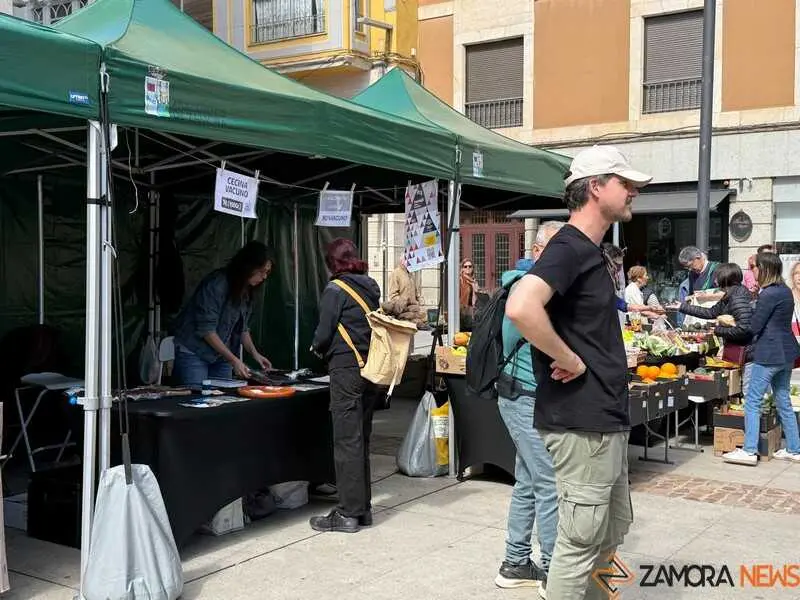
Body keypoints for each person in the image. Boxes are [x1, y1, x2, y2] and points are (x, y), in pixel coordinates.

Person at [506, 144, 651, 600]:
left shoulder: (588, 250)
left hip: (601, 419)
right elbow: (521, 307)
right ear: (595, 187)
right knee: (578, 543)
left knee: (606, 537)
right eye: (624, 183)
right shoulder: (569, 245)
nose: (633, 192)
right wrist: (568, 359)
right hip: (582, 422)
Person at [494, 221, 563, 591]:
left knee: (528, 480)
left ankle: (515, 562)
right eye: (556, 250)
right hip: (523, 397)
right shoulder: (526, 289)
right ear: (537, 251)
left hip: (524, 397)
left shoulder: (535, 285)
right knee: (549, 482)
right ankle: (553, 570)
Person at [309, 238, 382, 533]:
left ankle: (348, 512)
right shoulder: (371, 287)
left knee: (346, 440)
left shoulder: (335, 290)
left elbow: (323, 334)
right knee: (361, 439)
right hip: (372, 369)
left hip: (345, 369)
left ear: (332, 263)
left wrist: (315, 348)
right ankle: (363, 509)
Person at [722, 252, 800, 466]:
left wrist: (729, 325)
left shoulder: (768, 294)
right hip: (786, 353)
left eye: (753, 267)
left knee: (753, 401)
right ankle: (794, 449)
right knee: (783, 400)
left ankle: (749, 451)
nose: (751, 271)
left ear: (764, 268)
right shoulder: (783, 290)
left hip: (768, 354)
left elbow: (754, 327)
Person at [171, 241, 274, 385]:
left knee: (223, 399)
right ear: (248, 266)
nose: (264, 277)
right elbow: (206, 330)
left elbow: (242, 328)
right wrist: (234, 360)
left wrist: (255, 354)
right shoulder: (216, 285)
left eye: (267, 272)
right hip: (194, 351)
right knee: (197, 400)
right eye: (261, 271)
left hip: (222, 355)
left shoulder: (246, 290)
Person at [670, 263, 754, 387]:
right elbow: (711, 312)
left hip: (747, 351)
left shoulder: (737, 298)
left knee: (749, 393)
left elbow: (744, 328)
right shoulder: (730, 295)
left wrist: (717, 330)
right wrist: (682, 306)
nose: (714, 280)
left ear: (724, 278)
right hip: (742, 350)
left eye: (716, 277)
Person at [386, 258, 428, 329]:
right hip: (402, 309)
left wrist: (420, 300)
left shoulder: (411, 274)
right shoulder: (395, 274)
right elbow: (393, 295)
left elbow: (416, 292)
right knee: (408, 320)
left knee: (423, 314)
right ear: (402, 261)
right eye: (408, 260)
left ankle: (418, 323)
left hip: (413, 308)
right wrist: (403, 303)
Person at [459, 258, 479, 330]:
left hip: (471, 312)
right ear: (462, 269)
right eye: (465, 266)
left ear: (473, 268)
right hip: (462, 312)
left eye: (470, 266)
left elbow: (476, 298)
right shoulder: (460, 280)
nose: (468, 268)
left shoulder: (473, 282)